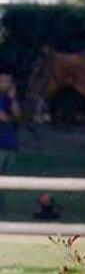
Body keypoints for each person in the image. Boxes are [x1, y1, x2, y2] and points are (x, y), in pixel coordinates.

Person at [0, 64, 20, 213]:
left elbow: (18, 116)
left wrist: (13, 99)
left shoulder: (8, 98)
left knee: (5, 179)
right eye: (4, 81)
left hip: (9, 144)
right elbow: (4, 117)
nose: (7, 84)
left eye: (9, 82)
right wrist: (10, 117)